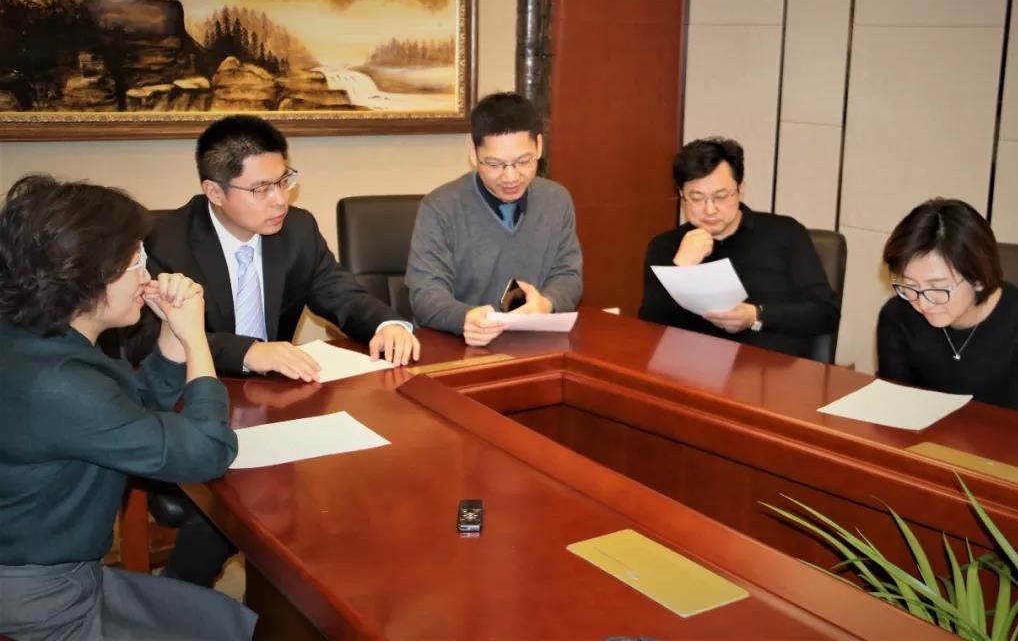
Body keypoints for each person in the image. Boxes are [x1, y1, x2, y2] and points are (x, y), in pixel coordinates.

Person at [118, 114, 421, 589]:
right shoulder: (164, 239)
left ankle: (314, 595)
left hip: (276, 404)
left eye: (284, 180)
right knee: (239, 498)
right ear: (214, 192)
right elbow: (147, 336)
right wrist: (248, 352)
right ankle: (181, 597)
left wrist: (386, 323)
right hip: (190, 403)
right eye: (261, 189)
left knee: (363, 473)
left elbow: (337, 290)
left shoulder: (297, 229)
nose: (280, 199)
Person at [0, 175, 255, 640]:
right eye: (134, 261)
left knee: (231, 623)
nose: (147, 274)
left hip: (50, 572)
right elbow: (208, 451)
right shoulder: (59, 383)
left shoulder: (37, 339)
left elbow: (126, 411)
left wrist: (171, 334)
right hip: (45, 596)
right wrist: (196, 340)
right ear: (85, 275)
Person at [406, 91, 583, 346]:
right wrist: (465, 318)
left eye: (523, 161)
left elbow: (568, 274)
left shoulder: (556, 200)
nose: (511, 177)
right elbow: (425, 294)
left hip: (535, 344)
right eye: (494, 164)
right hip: (459, 348)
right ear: (473, 153)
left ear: (539, 146)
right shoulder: (440, 208)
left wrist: (546, 304)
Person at [639, 137, 839, 359]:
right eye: (696, 198)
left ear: (740, 189)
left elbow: (826, 313)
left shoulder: (785, 233)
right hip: (693, 367)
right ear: (681, 195)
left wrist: (756, 315)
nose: (710, 209)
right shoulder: (666, 246)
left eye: (721, 196)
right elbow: (650, 328)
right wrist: (681, 267)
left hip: (770, 370)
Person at [877, 198, 1018, 417]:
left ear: (978, 278)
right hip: (925, 436)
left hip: (1006, 436)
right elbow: (897, 408)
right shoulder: (897, 316)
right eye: (911, 286)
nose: (923, 303)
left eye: (939, 287)